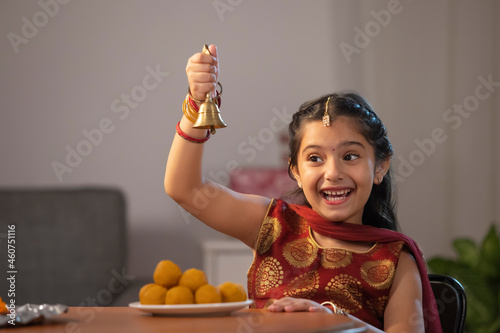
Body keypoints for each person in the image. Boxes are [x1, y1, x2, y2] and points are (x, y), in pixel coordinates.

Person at [164, 45, 441, 333]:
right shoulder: (273, 225)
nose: (332, 173)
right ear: (295, 171)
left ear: (380, 167)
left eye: (350, 156)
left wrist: (336, 321)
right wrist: (197, 103)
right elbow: (184, 189)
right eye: (314, 158)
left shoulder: (396, 260)